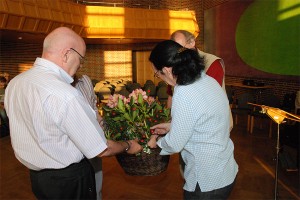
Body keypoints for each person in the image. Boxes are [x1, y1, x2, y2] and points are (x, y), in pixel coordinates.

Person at [4, 27, 142, 200]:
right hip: (69, 181)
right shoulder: (65, 94)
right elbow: (101, 148)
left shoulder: (16, 83)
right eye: (81, 59)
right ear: (67, 54)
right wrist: (128, 145)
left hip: (39, 179)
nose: (80, 65)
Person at [148, 40, 238, 199]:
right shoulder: (206, 80)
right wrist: (172, 126)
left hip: (206, 180)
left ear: (167, 70)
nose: (160, 79)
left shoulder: (184, 92)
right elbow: (207, 120)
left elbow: (175, 144)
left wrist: (156, 142)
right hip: (225, 170)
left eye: (157, 74)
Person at [72, 74, 104, 200]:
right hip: (72, 152)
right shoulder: (56, 84)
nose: (81, 63)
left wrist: (99, 120)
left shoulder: (84, 80)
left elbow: (93, 105)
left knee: (96, 186)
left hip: (93, 141)